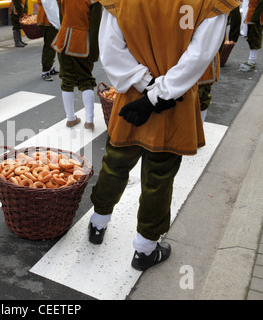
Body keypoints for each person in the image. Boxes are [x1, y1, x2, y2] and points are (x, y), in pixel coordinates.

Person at [89, 0, 240, 271]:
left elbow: (111, 50)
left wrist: (145, 86)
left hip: (132, 96)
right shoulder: (212, 3)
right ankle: (145, 250)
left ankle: (98, 224)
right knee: (158, 176)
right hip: (175, 100)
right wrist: (158, 94)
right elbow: (199, 55)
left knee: (115, 162)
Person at [51, 0, 102, 130]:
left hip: (63, 39)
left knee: (67, 79)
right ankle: (89, 121)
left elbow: (62, 16)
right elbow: (95, 25)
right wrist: (94, 52)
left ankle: (70, 118)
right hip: (81, 42)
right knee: (86, 79)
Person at [37, 0, 60, 81]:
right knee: (49, 46)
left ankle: (49, 67)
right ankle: (45, 70)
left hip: (49, 19)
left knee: (52, 45)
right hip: (48, 20)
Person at [239, 0, 262, 71]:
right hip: (252, 14)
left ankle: (252, 61)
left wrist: (255, 17)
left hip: (256, 16)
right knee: (252, 37)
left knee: (254, 37)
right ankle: (251, 60)